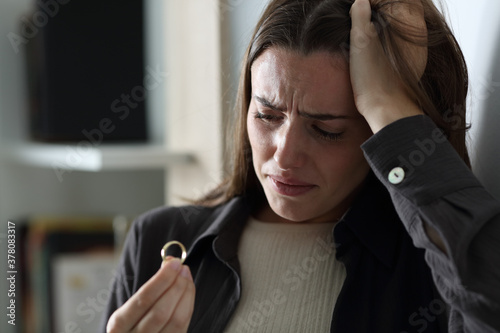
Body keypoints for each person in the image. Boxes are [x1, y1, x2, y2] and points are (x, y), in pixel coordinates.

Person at [101, 0, 500, 332]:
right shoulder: (161, 240)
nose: (284, 155)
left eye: (327, 130)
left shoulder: (433, 268)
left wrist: (390, 107)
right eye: (267, 116)